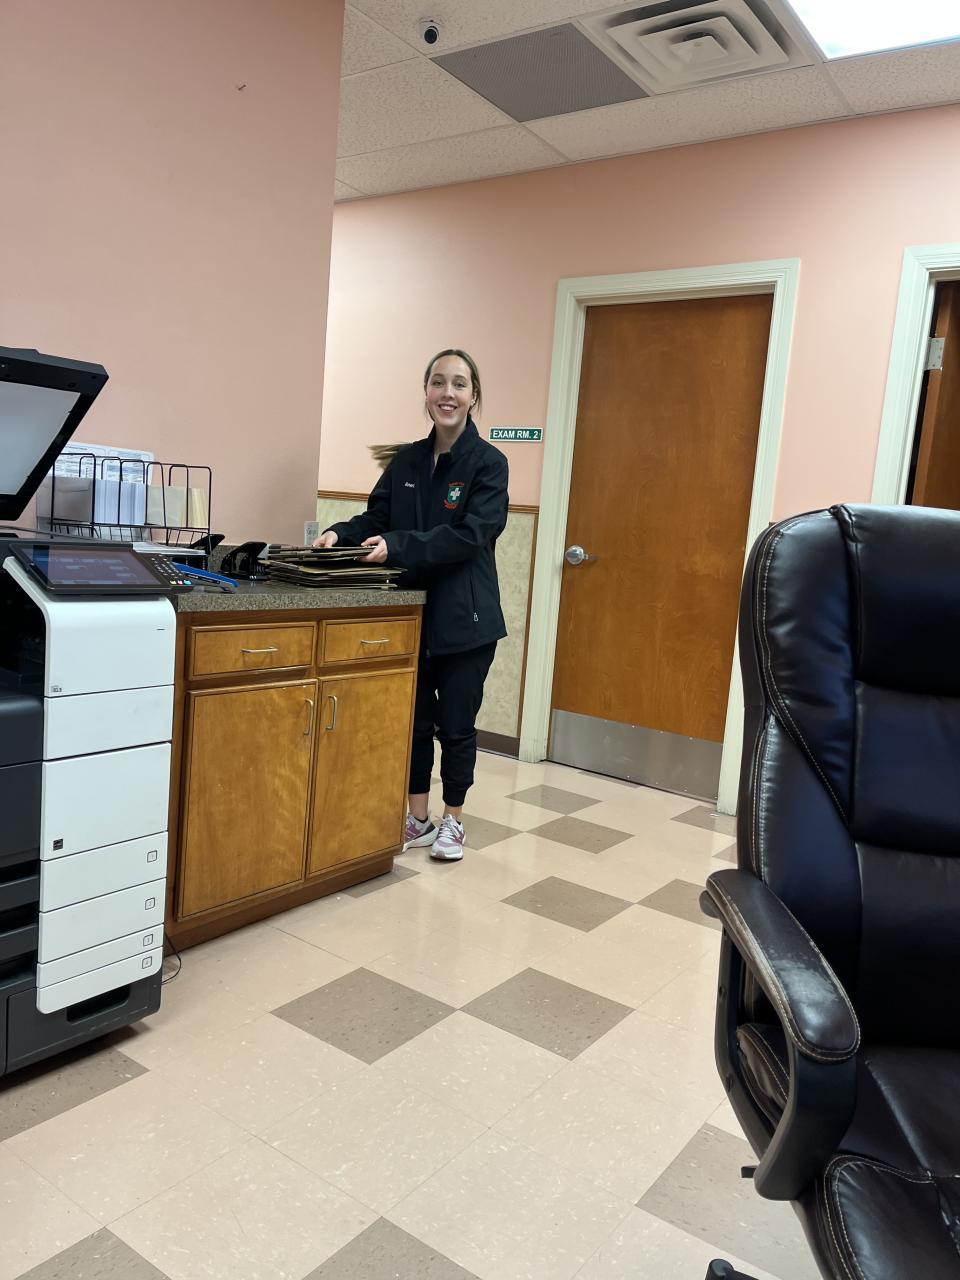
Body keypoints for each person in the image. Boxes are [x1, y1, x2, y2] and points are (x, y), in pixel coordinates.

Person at [315, 349, 508, 861]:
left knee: (457, 727)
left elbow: (470, 536)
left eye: (459, 384)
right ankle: (418, 818)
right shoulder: (406, 461)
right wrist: (341, 532)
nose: (448, 393)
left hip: (466, 622)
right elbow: (377, 517)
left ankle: (454, 820)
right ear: (426, 392)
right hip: (411, 616)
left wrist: (398, 545)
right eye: (438, 382)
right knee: (416, 722)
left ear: (473, 396)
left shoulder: (489, 464)